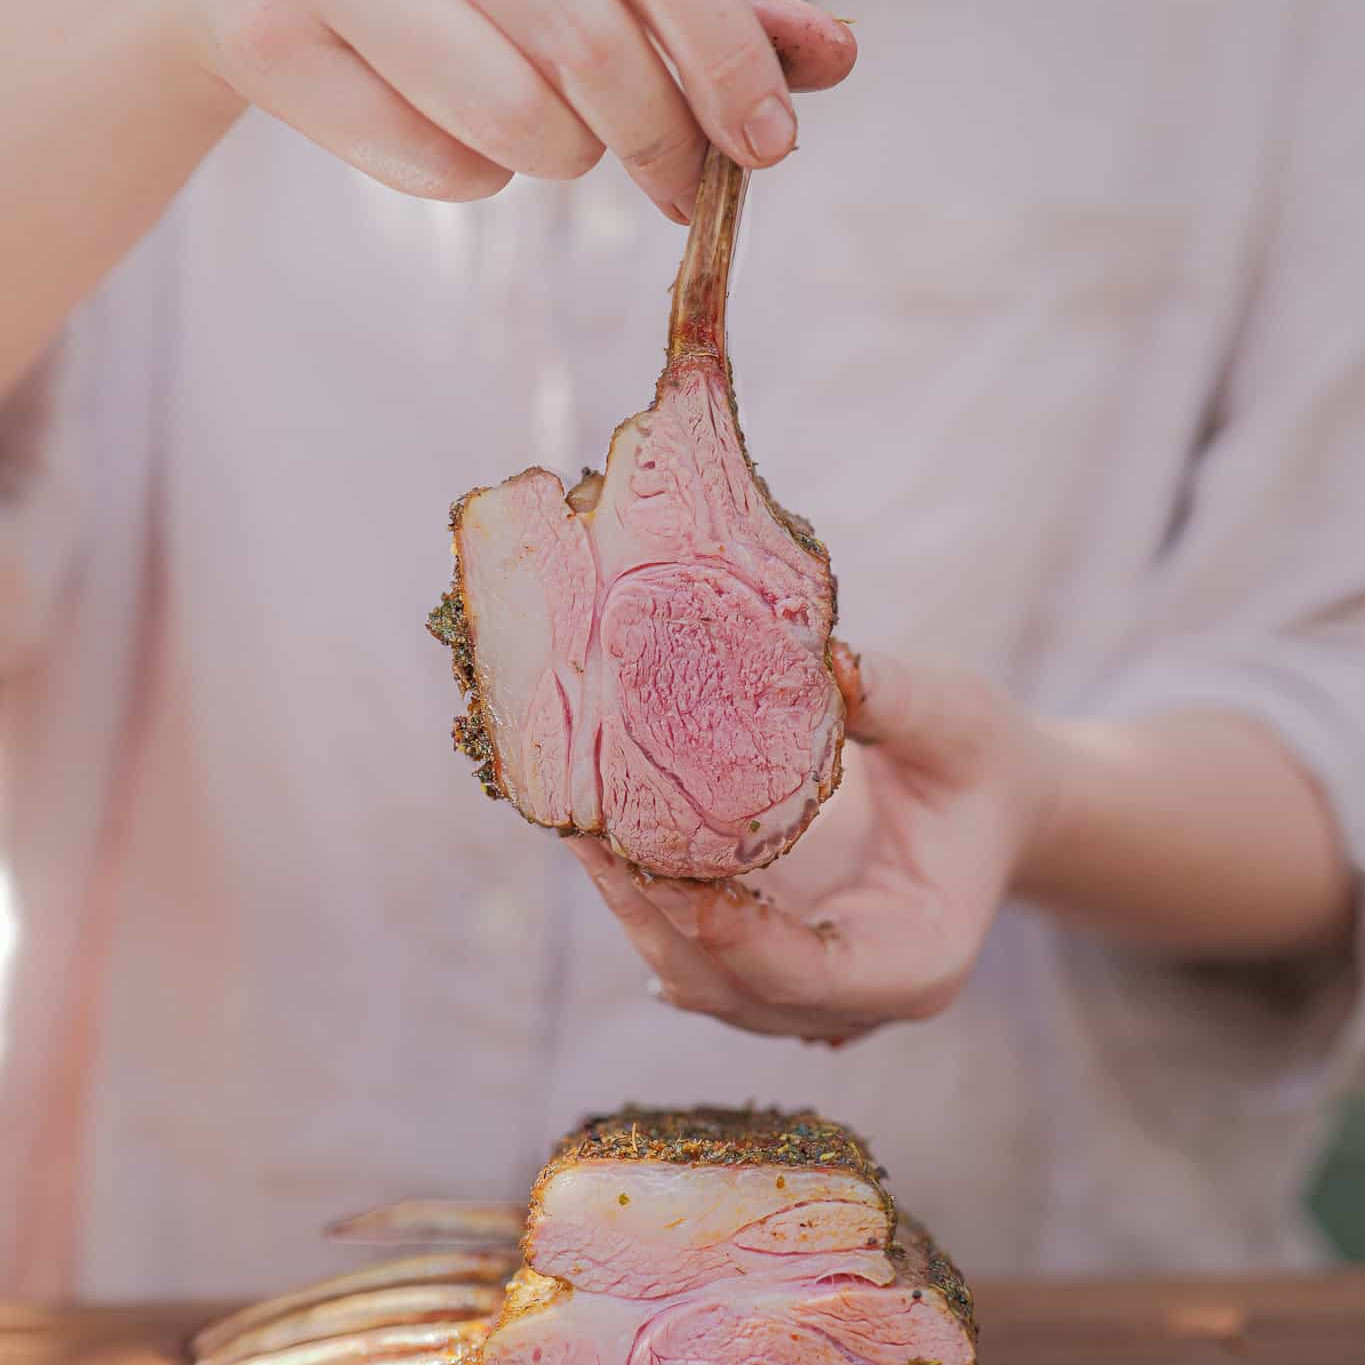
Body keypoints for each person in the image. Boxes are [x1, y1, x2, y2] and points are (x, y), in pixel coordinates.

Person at [2, 0, 1362, 1301]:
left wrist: (1049, 800)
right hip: (189, 1272)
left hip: (1017, 1289)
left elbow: (1327, 689)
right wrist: (162, 34)